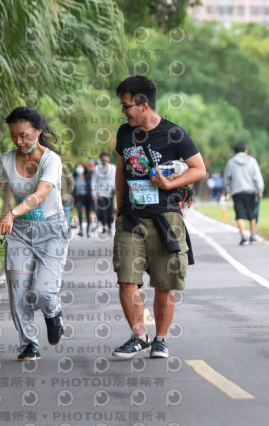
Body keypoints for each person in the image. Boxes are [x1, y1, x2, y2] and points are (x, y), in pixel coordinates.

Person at [112, 75, 206, 359]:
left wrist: (168, 184)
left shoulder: (174, 133)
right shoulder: (125, 133)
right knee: (127, 278)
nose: (123, 111)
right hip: (131, 218)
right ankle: (139, 335)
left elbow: (198, 169)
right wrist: (119, 208)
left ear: (142, 105)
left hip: (166, 218)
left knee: (165, 284)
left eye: (126, 105)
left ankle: (161, 339)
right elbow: (120, 172)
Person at [0, 106, 68, 361]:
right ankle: (28, 344)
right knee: (18, 290)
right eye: (14, 136)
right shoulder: (6, 159)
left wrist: (11, 213)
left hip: (51, 231)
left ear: (38, 132)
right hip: (19, 234)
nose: (19, 141)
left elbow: (40, 196)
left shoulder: (51, 160)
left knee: (42, 291)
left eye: (25, 135)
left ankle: (53, 312)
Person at [223, 141, 264, 246]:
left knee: (239, 215)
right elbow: (258, 177)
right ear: (246, 150)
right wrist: (260, 191)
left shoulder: (231, 162)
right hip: (250, 192)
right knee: (252, 214)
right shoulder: (252, 161)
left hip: (237, 192)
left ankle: (243, 237)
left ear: (235, 152)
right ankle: (253, 235)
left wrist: (227, 190)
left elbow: (226, 179)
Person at [91, 152, 116, 234]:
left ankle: (109, 225)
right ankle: (105, 225)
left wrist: (117, 190)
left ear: (108, 159)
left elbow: (116, 179)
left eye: (106, 158)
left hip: (111, 193)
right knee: (102, 210)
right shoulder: (96, 169)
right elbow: (93, 181)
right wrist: (93, 193)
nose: (104, 160)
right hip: (100, 193)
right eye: (103, 159)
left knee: (111, 210)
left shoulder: (113, 168)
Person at [73, 162, 93, 237]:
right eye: (78, 167)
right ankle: (81, 229)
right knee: (80, 213)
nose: (79, 169)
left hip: (87, 197)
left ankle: (88, 231)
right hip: (78, 197)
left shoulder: (88, 176)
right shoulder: (74, 177)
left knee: (88, 214)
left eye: (81, 167)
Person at [61, 164, 75, 230]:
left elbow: (72, 182)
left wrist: (67, 194)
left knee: (66, 221)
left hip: (64, 198)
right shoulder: (47, 166)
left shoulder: (63, 167)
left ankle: (67, 234)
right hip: (51, 199)